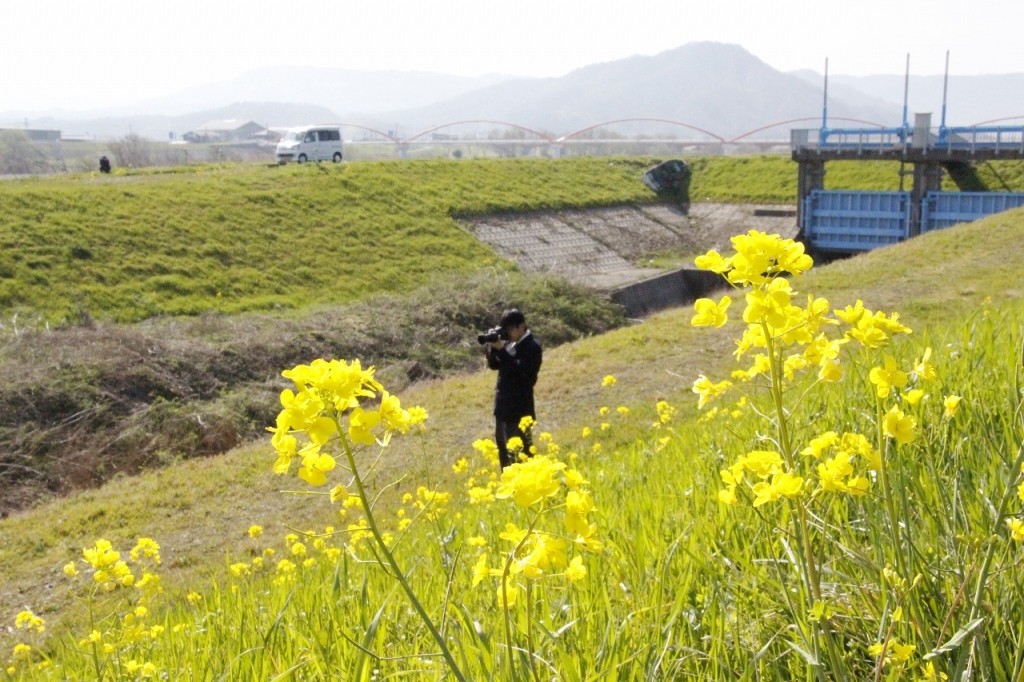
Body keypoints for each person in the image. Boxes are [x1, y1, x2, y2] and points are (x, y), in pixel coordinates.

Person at [485, 309, 542, 469]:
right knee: (505, 457)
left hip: (519, 412)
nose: (507, 333)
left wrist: (502, 350)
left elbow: (522, 375)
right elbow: (495, 365)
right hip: (503, 409)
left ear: (522, 326)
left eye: (510, 329)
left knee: (522, 457)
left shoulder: (532, 347)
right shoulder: (509, 343)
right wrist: (492, 348)